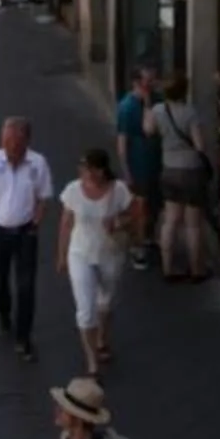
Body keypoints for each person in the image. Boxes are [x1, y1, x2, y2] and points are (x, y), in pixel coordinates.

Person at [0, 116, 54, 361]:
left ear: (25, 141)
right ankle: (4, 314)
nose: (8, 146)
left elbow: (43, 197)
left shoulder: (38, 164)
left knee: (26, 287)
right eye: (5, 140)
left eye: (14, 141)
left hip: (25, 232)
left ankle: (23, 337)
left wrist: (35, 225)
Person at [57, 147, 132, 371]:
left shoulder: (118, 190)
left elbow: (135, 215)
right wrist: (61, 254)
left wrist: (119, 223)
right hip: (80, 252)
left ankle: (102, 338)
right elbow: (66, 224)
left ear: (101, 171)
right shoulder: (72, 191)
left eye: (89, 169)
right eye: (82, 168)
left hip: (109, 253)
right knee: (86, 310)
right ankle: (92, 361)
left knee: (105, 302)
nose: (85, 173)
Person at [144, 73, 211, 281]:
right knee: (192, 224)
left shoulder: (158, 111)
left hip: (169, 169)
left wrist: (147, 105)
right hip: (191, 170)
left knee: (170, 221)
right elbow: (200, 145)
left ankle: (168, 268)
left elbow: (148, 130)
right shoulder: (190, 113)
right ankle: (196, 270)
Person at [115, 60, 162, 268]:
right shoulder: (127, 107)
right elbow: (122, 141)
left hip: (155, 162)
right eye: (147, 80)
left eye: (153, 79)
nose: (151, 84)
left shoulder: (155, 101)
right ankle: (137, 246)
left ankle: (148, 238)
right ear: (136, 82)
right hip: (138, 163)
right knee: (139, 207)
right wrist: (126, 171)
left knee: (152, 205)